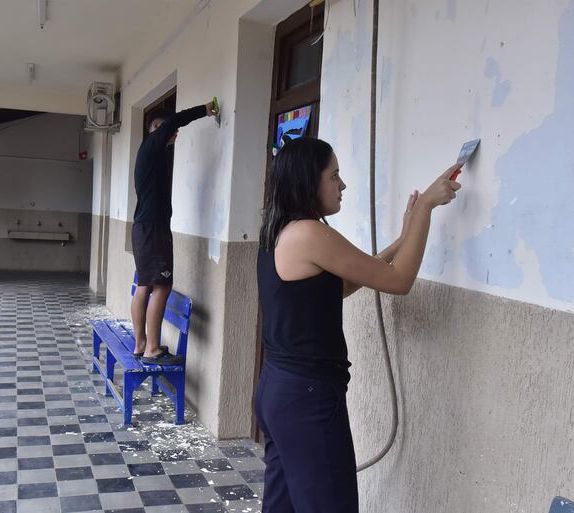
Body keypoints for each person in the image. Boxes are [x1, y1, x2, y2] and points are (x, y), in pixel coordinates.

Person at [255, 137, 461, 512]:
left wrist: (404, 238)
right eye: (334, 176)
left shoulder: (279, 230)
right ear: (308, 181)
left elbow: (342, 285)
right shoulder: (310, 233)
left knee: (282, 506)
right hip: (307, 398)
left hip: (279, 390)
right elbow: (399, 281)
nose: (343, 185)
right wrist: (426, 207)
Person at [131, 100, 218, 365]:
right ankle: (152, 349)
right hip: (153, 228)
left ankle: (141, 344)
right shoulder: (153, 144)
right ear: (157, 128)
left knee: (145, 285)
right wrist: (204, 109)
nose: (175, 134)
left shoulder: (148, 153)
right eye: (169, 129)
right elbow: (174, 121)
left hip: (144, 227)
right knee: (162, 285)